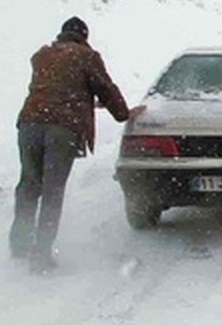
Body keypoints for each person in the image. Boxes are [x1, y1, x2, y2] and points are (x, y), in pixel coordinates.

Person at [10, 16, 131, 267]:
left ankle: (19, 242)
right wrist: (123, 114)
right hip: (62, 129)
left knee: (29, 183)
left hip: (30, 123)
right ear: (84, 36)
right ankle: (41, 255)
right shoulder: (86, 56)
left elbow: (56, 87)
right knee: (53, 191)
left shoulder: (42, 55)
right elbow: (105, 88)